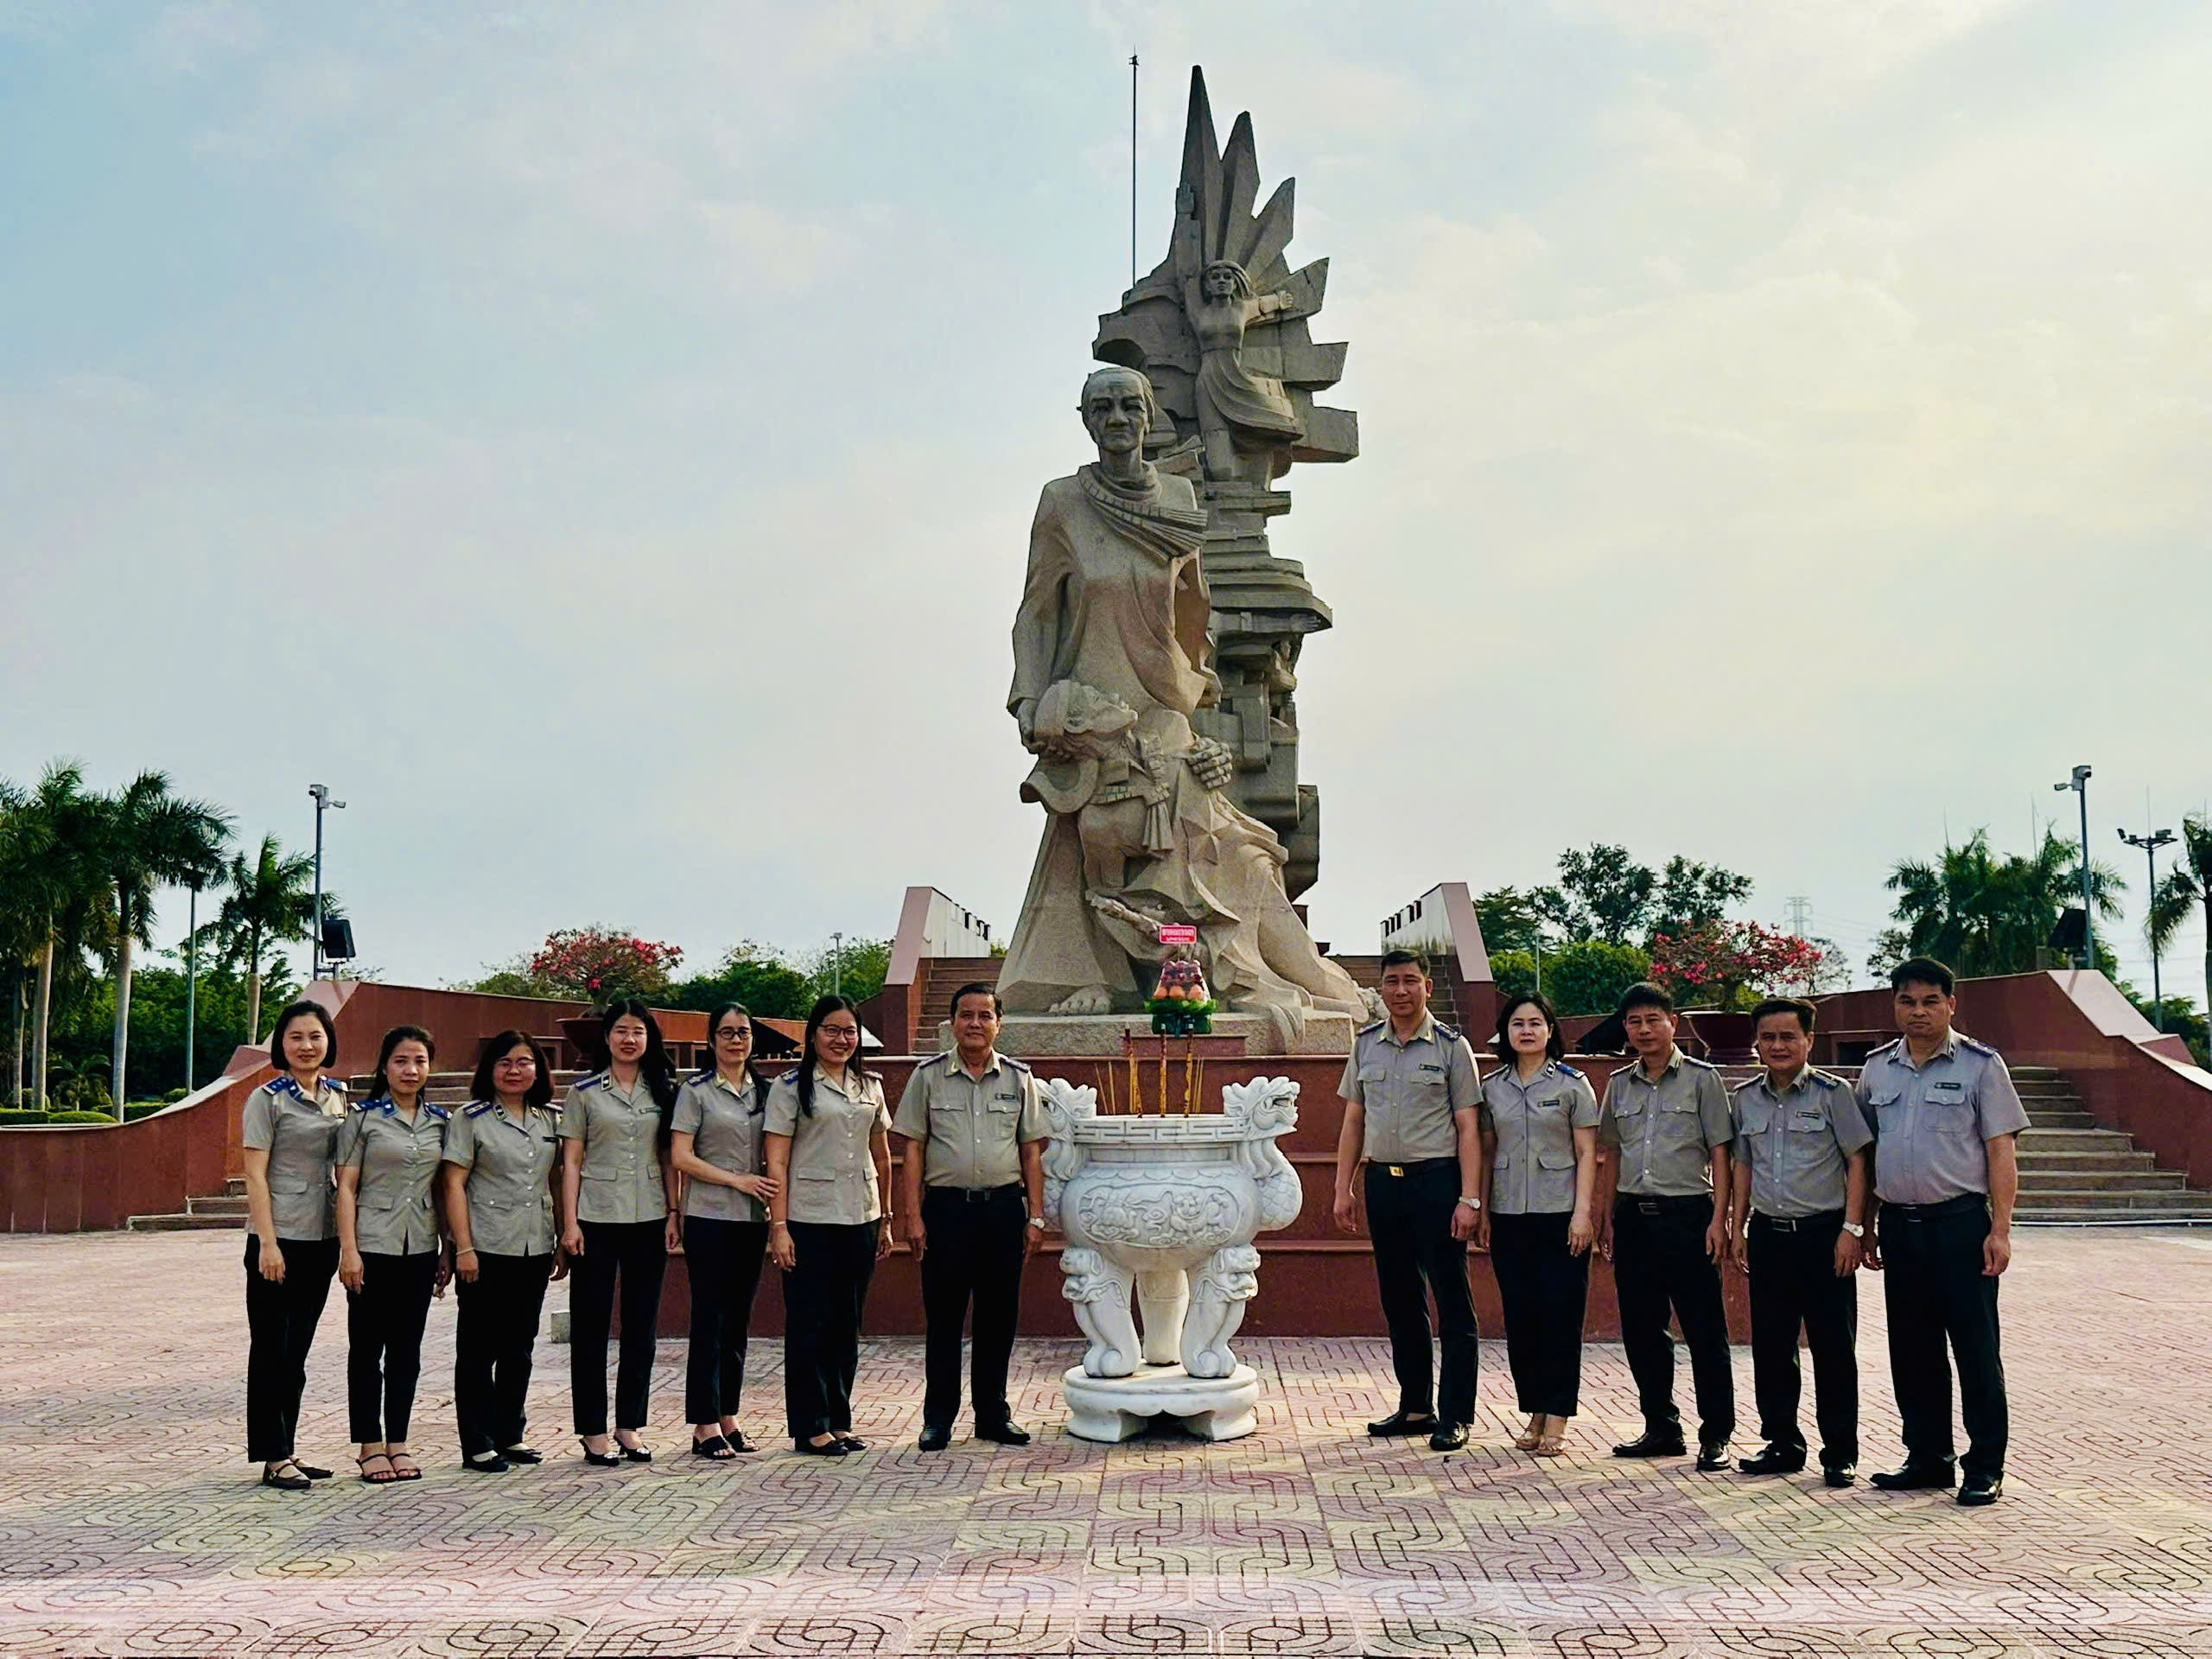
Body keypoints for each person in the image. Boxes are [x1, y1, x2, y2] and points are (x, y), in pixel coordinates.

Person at [1855, 957, 2028, 1506]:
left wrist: (2000, 1230)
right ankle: (1928, 1457)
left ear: (1952, 1005)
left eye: (1931, 1001)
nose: (1919, 1012)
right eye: (1908, 1001)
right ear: (1895, 1007)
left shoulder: (1981, 1065)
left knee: (1975, 1349)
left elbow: (2002, 1151)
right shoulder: (1877, 1068)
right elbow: (1865, 1153)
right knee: (1912, 1349)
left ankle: (1985, 1465)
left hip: (1960, 1226)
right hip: (1901, 1229)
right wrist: (1864, 1225)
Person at [1331, 950, 1484, 1452]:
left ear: (1427, 988)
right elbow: (1354, 1120)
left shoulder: (1450, 1048)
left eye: (1410, 982)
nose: (1401, 991)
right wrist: (1342, 1188)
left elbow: (1468, 1128)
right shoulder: (1367, 1046)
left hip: (1437, 1183)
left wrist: (1470, 1198)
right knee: (1400, 1298)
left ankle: (1457, 1414)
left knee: (1452, 1301)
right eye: (1392, 982)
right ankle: (1416, 1405)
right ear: (1382, 989)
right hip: (1384, 1184)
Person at [892, 982, 1049, 1452]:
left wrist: (1035, 1217)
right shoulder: (928, 1076)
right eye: (966, 1015)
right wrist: (912, 1217)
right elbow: (912, 1149)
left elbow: (1031, 1152)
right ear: (953, 1023)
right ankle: (938, 1418)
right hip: (946, 1212)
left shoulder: (1019, 1079)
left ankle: (992, 1415)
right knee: (944, 1318)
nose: (975, 1024)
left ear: (998, 1023)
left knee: (998, 1317)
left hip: (1002, 1211)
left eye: (985, 1015)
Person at [1727, 997, 1872, 1487]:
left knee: (1833, 1348)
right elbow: (1742, 1164)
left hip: (1823, 1237)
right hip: (1769, 1234)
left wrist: (1852, 1230)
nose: (1778, 1046)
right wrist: (1738, 1224)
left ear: (1809, 1041)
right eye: (1768, 1037)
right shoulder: (1746, 1097)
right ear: (1757, 1044)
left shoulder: (1833, 1094)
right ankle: (1782, 1441)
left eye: (1789, 1037)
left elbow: (1858, 1161)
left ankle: (1840, 1451)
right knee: (1772, 1347)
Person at [1595, 982, 1738, 1469]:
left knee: (1704, 1330)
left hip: (1689, 1217)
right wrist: (1606, 1214)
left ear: (1672, 1022)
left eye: (1653, 1019)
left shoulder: (1702, 1080)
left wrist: (1721, 1219)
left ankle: (1716, 1432)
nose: (1643, 1030)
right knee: (1642, 1330)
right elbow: (1611, 1153)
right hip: (1635, 1219)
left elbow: (1722, 1153)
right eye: (1634, 1022)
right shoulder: (1619, 1083)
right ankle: (1661, 1426)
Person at [764, 995, 893, 1457]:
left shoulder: (869, 1085)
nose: (841, 1039)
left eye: (849, 1031)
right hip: (809, 1218)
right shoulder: (790, 1087)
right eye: (831, 1030)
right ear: (813, 1035)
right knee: (809, 1323)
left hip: (861, 1213)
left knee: (846, 1323)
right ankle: (809, 1424)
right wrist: (778, 1226)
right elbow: (775, 1159)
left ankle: (839, 1420)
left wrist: (887, 1219)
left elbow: (881, 1155)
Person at [1476, 992, 1599, 1458]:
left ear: (1551, 1031)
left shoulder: (1572, 1085)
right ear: (1506, 1034)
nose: (1527, 1031)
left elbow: (1588, 1153)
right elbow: (1487, 1153)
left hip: (1560, 1217)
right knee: (1522, 1318)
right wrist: (1484, 1209)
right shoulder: (1493, 1088)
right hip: (1509, 1216)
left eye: (1536, 1023)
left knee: (1560, 1318)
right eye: (1517, 1024)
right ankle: (1534, 1409)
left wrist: (1582, 1213)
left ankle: (1558, 1415)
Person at [559, 999, 682, 1465]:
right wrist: (569, 1223)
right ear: (606, 1038)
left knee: (641, 1327)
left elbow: (670, 1157)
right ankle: (592, 1429)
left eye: (638, 1032)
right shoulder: (586, 1092)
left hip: (649, 1216)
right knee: (590, 1326)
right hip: (595, 1217)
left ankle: (629, 1425)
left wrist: (674, 1212)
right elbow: (571, 1160)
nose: (629, 1039)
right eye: (621, 1031)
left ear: (649, 1039)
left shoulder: (662, 1091)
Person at [442, 1030, 566, 1472]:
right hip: (486, 1246)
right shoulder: (470, 1119)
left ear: (538, 1069)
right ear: (489, 1071)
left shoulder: (550, 1119)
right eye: (504, 1063)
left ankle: (510, 1434)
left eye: (524, 1062)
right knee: (478, 1349)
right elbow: (453, 1183)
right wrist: (464, 1247)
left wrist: (562, 1236)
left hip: (535, 1244)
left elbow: (555, 1180)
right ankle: (476, 1440)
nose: (515, 1071)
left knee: (519, 1346)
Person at [239, 1000, 348, 1490]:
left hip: (321, 1237)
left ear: (328, 1042)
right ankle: (271, 1454)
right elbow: (254, 1175)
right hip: (277, 1240)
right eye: (296, 1038)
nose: (307, 1046)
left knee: (297, 1353)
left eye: (316, 1037)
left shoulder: (340, 1096)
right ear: (281, 1046)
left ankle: (288, 1448)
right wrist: (267, 1242)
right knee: (271, 1351)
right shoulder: (267, 1099)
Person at [334, 1026, 450, 1484]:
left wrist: (447, 1246)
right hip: (371, 1246)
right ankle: (369, 1445)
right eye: (402, 1060)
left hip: (419, 1246)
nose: (411, 1070)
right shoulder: (362, 1119)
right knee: (367, 1350)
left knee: (407, 1350)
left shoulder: (440, 1121)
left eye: (420, 1061)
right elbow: (345, 1186)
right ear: (385, 1066)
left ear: (430, 1067)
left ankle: (398, 1442)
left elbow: (442, 1190)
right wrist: (349, 1250)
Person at [671, 1003, 779, 1459]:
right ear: (711, 1040)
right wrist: (737, 1179)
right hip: (710, 1217)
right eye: (727, 1033)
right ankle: (703, 1423)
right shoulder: (695, 1092)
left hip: (752, 1221)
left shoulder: (766, 1092)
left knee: (738, 1322)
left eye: (744, 1032)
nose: (736, 1040)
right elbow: (681, 1156)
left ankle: (729, 1415)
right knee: (710, 1320)